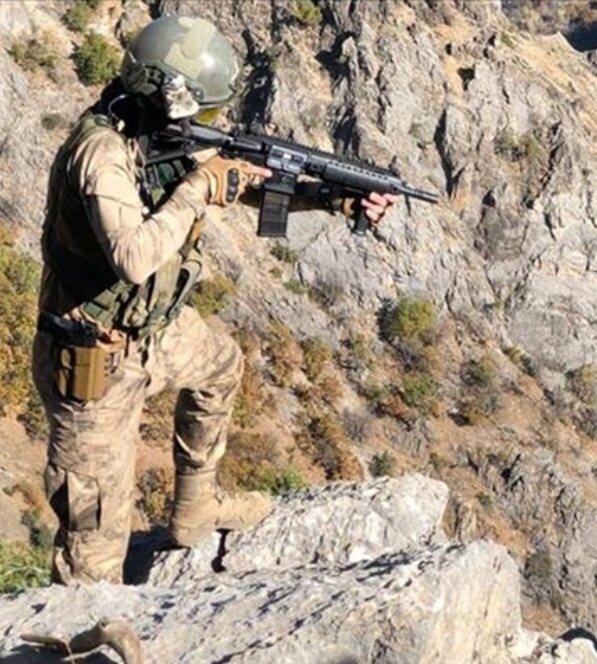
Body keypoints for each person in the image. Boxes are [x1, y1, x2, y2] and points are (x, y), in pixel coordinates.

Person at [32, 15, 398, 584]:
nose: (205, 126)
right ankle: (87, 630)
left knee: (221, 365)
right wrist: (199, 189)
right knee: (95, 538)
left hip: (155, 331)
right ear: (164, 97)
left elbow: (242, 180)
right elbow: (133, 257)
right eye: (201, 114)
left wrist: (336, 198)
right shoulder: (101, 152)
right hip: (92, 360)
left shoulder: (158, 132)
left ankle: (195, 508)